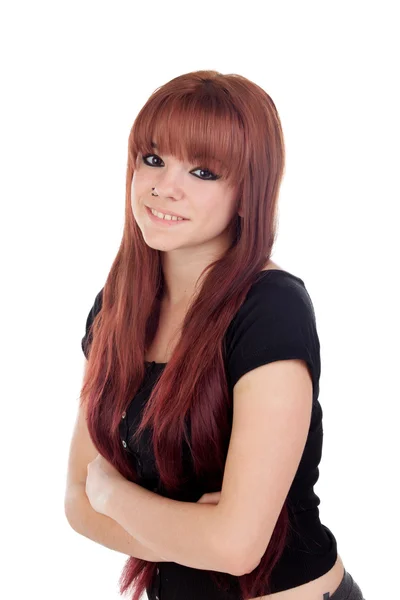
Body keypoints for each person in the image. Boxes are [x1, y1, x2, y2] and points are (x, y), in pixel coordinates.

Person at [65, 70, 366, 600]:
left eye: (203, 171)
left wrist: (115, 495)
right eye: (153, 159)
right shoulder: (118, 306)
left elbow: (235, 549)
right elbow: (76, 502)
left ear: (248, 195)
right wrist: (193, 529)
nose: (164, 186)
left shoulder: (270, 310)